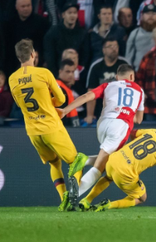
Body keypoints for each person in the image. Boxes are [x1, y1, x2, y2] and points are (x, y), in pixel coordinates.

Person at [8, 39, 88, 211]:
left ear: (18, 57)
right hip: (51, 126)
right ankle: (74, 196)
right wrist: (48, 102)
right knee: (76, 160)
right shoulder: (43, 73)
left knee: (54, 164)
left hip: (33, 132)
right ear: (32, 54)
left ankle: (63, 198)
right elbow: (61, 99)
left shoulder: (12, 78)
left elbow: (20, 104)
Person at [59, 64, 145, 210]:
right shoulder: (139, 91)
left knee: (108, 161)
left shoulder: (108, 85)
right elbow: (138, 119)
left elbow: (87, 96)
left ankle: (85, 161)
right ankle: (74, 195)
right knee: (100, 167)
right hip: (120, 126)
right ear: (132, 77)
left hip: (102, 124)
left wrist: (66, 110)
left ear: (117, 77)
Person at [81, 127, 156, 212]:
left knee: (108, 178)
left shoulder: (155, 132)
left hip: (113, 159)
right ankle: (108, 205)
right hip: (125, 172)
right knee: (142, 198)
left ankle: (86, 200)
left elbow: (133, 133)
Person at [4, 0, 51, 75]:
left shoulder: (42, 23)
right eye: (23, 6)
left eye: (28, 5)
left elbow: (47, 44)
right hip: (16, 64)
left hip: (37, 63)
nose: (26, 8)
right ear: (16, 7)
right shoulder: (10, 24)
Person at [126, 5, 156, 70]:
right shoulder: (135, 33)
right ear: (142, 16)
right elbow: (128, 57)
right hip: (138, 71)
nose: (151, 16)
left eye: (153, 13)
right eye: (147, 13)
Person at [56, 59, 81, 127]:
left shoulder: (66, 87)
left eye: (72, 72)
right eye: (67, 71)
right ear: (60, 72)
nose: (70, 75)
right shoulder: (58, 88)